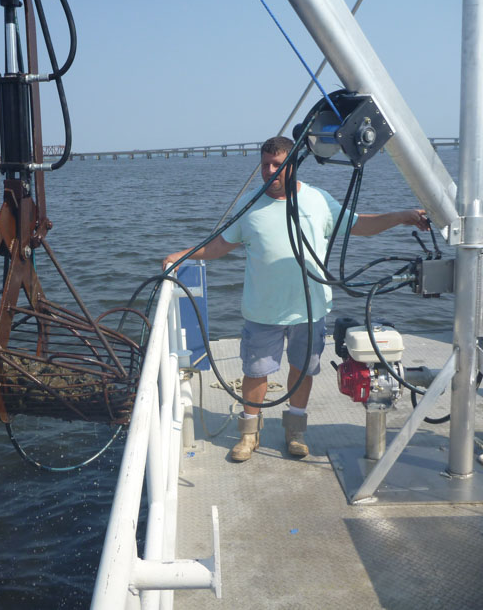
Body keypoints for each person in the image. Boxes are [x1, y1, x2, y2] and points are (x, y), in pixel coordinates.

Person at [163, 135, 429, 462]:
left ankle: (296, 431)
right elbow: (219, 246)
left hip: (309, 308)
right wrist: (182, 255)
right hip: (263, 310)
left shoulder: (318, 200)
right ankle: (249, 434)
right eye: (265, 164)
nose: (270, 171)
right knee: (255, 372)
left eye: (278, 164)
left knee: (302, 370)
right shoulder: (249, 204)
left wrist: (403, 216)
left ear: (292, 165)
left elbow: (360, 225)